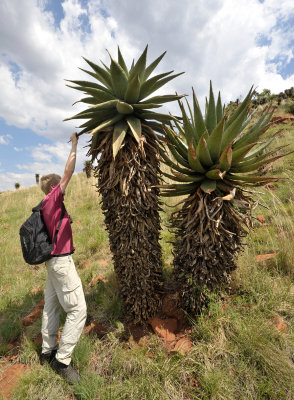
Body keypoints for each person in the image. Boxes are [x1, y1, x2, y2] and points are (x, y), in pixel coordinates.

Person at [39, 132, 87, 384]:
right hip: (60, 262)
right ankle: (63, 361)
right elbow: (68, 172)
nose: (63, 188)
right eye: (60, 186)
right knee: (78, 309)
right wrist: (75, 145)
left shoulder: (46, 203)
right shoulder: (54, 197)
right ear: (53, 188)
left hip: (52, 263)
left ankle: (47, 352)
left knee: (52, 306)